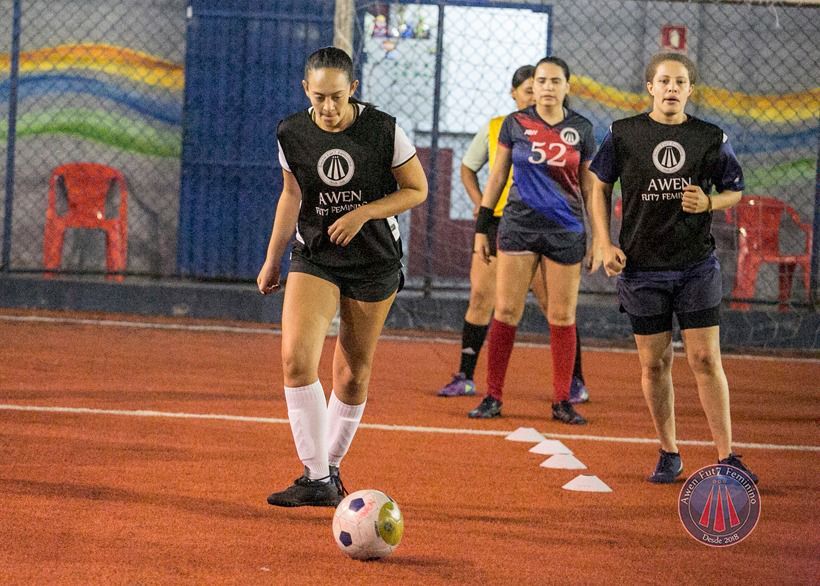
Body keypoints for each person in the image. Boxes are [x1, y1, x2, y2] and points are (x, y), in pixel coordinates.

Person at [257, 47, 428, 506]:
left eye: (337, 96)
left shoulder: (383, 130)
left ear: (353, 88)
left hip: (373, 259)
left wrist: (364, 213)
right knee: (296, 360)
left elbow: (417, 189)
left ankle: (330, 468)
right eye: (319, 98)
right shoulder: (292, 132)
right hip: (316, 254)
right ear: (305, 90)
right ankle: (315, 477)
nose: (328, 107)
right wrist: (272, 258)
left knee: (352, 373)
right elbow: (291, 195)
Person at [588, 53, 758, 484]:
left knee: (705, 358)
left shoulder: (710, 136)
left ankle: (728, 456)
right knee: (654, 364)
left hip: (695, 266)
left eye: (680, 82)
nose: (671, 88)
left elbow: (735, 190)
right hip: (641, 269)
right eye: (664, 81)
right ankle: (669, 451)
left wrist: (710, 202)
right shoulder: (623, 133)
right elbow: (598, 185)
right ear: (650, 87)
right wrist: (604, 243)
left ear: (689, 90)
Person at [436, 65, 591, 406]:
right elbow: (482, 172)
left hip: (558, 227)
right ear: (518, 92)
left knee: (558, 310)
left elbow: (590, 186)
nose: (540, 91)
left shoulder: (578, 129)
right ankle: (473, 381)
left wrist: (598, 238)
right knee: (489, 301)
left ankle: (570, 386)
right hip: (509, 223)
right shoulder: (505, 125)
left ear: (565, 87)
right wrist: (481, 211)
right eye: (533, 86)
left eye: (550, 83)